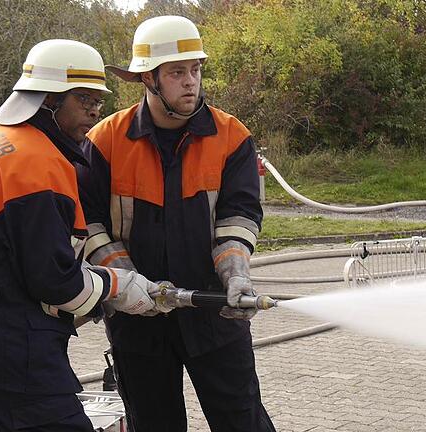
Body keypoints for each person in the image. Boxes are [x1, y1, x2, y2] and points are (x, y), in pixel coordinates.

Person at [0, 39, 171, 431]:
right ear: (49, 100)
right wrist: (119, 286)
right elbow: (54, 281)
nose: (94, 111)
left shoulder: (2, 142)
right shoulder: (36, 164)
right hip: (9, 346)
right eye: (84, 99)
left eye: (98, 102)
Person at [78, 16, 276, 432]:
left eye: (195, 69)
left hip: (215, 316)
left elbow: (239, 216)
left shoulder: (230, 136)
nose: (190, 81)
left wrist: (236, 274)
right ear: (148, 79)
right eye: (176, 72)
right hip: (137, 322)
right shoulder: (105, 141)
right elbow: (88, 221)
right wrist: (127, 282)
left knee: (243, 422)